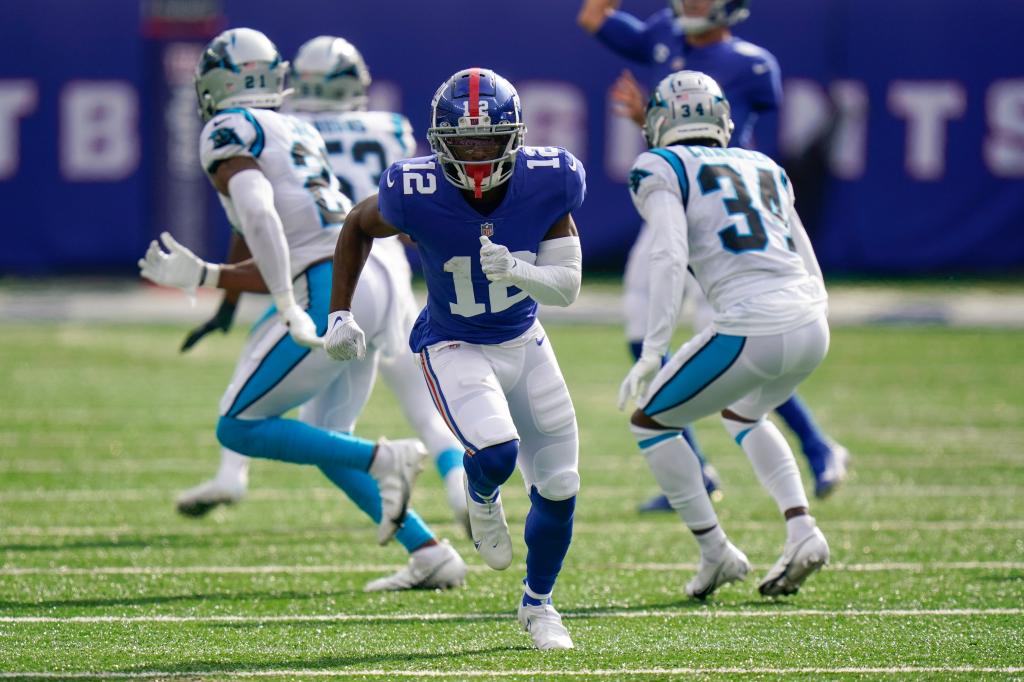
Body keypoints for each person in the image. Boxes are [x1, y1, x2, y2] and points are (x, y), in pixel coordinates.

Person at [139, 27, 467, 592]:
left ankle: (388, 458)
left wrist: (288, 305)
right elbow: (290, 244)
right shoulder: (292, 129)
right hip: (374, 275)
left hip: (330, 284)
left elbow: (264, 220)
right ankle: (430, 553)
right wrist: (208, 276)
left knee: (238, 425)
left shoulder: (228, 128)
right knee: (326, 436)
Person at [324, 68, 586, 650]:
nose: (474, 154)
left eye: (487, 140)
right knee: (496, 451)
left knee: (562, 484)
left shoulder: (550, 180)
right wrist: (339, 312)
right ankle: (481, 492)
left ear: (513, 138)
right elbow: (357, 225)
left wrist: (519, 270)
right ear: (438, 139)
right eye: (462, 141)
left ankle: (539, 605)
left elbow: (567, 286)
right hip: (454, 342)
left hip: (525, 338)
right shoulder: (413, 189)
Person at [578, 0, 849, 507]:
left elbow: (713, 131)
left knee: (745, 336)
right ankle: (696, 466)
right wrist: (649, 118)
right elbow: (593, 17)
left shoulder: (752, 64)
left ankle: (816, 445)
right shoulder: (665, 32)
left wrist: (658, 124)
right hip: (676, 199)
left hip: (715, 212)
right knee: (640, 319)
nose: (692, 4)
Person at [619, 70, 830, 599]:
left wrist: (650, 350)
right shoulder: (764, 165)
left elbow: (669, 255)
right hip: (810, 322)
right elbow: (805, 254)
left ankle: (715, 552)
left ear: (660, 122)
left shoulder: (660, 165)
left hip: (750, 327)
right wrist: (815, 311)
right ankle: (802, 529)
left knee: (650, 422)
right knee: (743, 412)